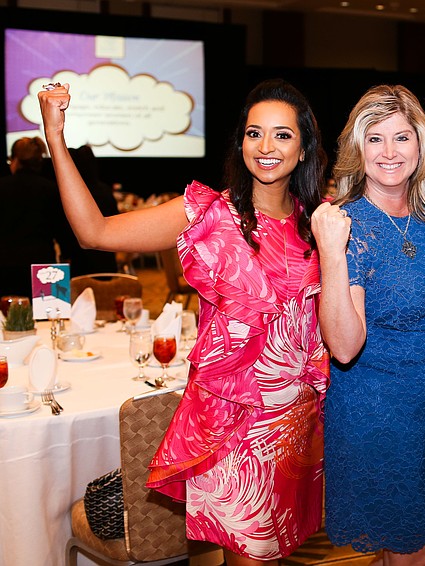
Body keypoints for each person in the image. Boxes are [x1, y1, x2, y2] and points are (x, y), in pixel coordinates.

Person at [39, 78, 329, 566]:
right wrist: (55, 138)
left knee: (277, 552)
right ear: (240, 142)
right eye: (254, 133)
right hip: (232, 427)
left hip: (295, 425)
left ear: (303, 149)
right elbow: (95, 232)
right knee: (251, 558)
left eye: (282, 135)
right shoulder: (210, 213)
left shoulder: (318, 222)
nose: (266, 146)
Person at [311, 85, 425, 566]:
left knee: (424, 543)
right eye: (375, 138)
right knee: (411, 548)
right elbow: (344, 346)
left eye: (401, 137)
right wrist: (332, 252)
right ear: (358, 147)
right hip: (377, 409)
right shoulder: (346, 224)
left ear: (421, 145)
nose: (389, 152)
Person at [0, 136, 75, 297]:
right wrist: (68, 255)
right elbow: (62, 229)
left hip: (5, 265)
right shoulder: (51, 189)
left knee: (6, 311)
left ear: (15, 160)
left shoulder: (2, 187)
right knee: (46, 310)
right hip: (43, 266)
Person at [63, 144, 120, 274]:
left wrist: (66, 254)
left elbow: (65, 227)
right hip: (105, 256)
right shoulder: (105, 190)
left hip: (80, 258)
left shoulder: (72, 195)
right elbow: (116, 219)